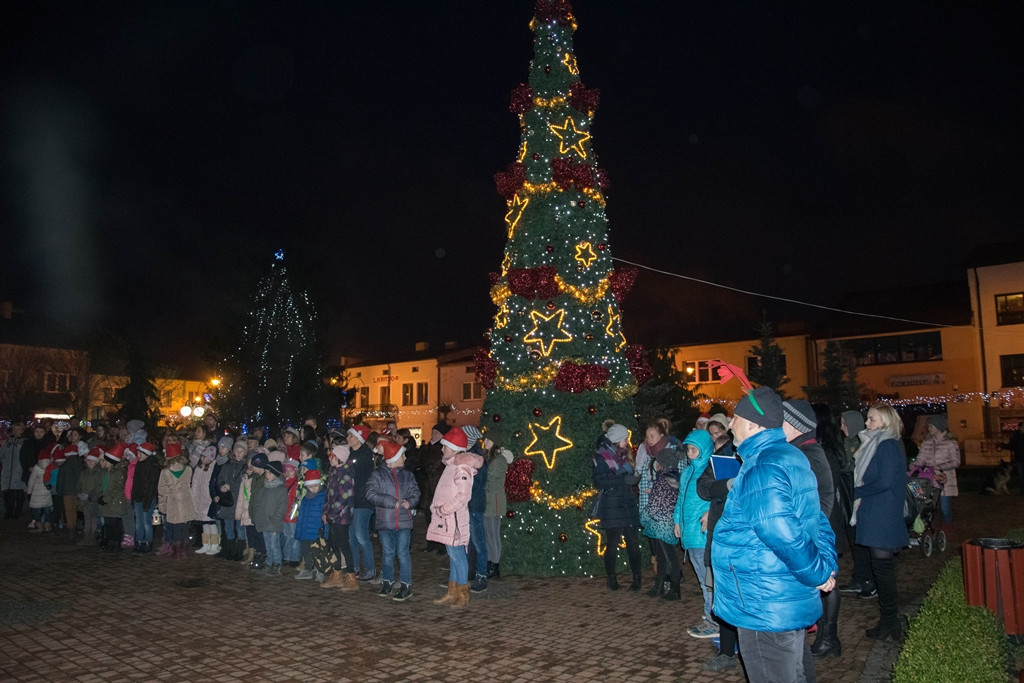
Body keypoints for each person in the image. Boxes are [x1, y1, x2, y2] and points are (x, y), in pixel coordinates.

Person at [712, 387, 838, 683]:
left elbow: (783, 533)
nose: (731, 425)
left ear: (754, 425)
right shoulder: (790, 457)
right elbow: (817, 519)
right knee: (795, 672)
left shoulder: (763, 466)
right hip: (783, 596)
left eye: (736, 418)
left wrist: (819, 573)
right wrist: (825, 566)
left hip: (763, 601)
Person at [782, 400, 841, 659]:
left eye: (783, 421)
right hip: (814, 527)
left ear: (795, 426)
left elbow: (824, 495)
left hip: (816, 529)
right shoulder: (799, 449)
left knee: (827, 583)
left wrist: (813, 533)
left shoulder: (808, 453)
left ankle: (829, 637)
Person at [851, 403, 910, 642]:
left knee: (883, 572)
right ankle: (889, 621)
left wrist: (856, 491)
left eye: (872, 419)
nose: (867, 423)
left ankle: (890, 621)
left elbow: (884, 481)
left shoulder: (886, 445)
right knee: (881, 571)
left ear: (885, 422)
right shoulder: (879, 443)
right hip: (877, 513)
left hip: (882, 515)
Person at [428, 428, 483, 608]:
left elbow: (463, 496)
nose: (442, 449)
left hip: (454, 520)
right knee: (452, 555)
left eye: (444, 446)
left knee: (458, 555)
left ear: (453, 448)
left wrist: (444, 509)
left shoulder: (461, 468)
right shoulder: (450, 466)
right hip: (446, 519)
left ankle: (462, 594)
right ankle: (452, 592)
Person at [366, 439, 420, 602]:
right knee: (388, 553)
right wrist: (392, 502)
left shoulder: (408, 475)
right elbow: (370, 494)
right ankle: (387, 581)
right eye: (402, 455)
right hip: (385, 521)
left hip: (404, 522)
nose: (404, 458)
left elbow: (416, 492)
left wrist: (410, 502)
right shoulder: (377, 475)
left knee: (403, 553)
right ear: (393, 458)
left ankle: (405, 584)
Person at [592, 422, 642, 592]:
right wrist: (622, 479)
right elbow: (599, 481)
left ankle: (637, 578)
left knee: (633, 542)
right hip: (612, 505)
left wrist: (633, 478)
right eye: (625, 439)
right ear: (616, 440)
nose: (627, 442)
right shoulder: (602, 456)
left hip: (627, 502)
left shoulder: (624, 455)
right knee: (612, 543)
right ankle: (611, 578)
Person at [675, 430, 716, 636]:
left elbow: (717, 498)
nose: (690, 454)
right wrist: (677, 521)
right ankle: (711, 616)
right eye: (688, 450)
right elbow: (681, 499)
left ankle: (713, 620)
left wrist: (711, 513)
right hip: (690, 533)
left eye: (694, 450)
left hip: (702, 534)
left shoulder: (709, 472)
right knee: (703, 578)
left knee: (707, 579)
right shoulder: (687, 473)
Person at [637, 417, 676, 584]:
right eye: (647, 436)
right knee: (658, 548)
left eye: (652, 435)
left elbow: (675, 481)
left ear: (661, 435)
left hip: (665, 507)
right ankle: (660, 582)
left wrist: (655, 490)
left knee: (667, 549)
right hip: (651, 505)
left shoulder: (670, 451)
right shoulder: (648, 452)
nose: (649, 439)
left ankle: (673, 583)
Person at [912, 415, 959, 533]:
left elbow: (956, 461)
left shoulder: (951, 443)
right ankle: (927, 528)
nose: (929, 428)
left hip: (944, 480)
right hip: (929, 479)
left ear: (939, 427)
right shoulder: (927, 442)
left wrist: (940, 467)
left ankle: (946, 528)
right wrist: (915, 465)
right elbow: (921, 458)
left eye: (931, 426)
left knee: (944, 508)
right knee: (927, 506)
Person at [319, 442, 356, 591]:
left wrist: (331, 514)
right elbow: (329, 496)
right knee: (333, 544)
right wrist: (325, 512)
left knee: (344, 545)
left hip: (342, 517)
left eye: (332, 456)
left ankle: (351, 575)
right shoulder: (333, 473)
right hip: (332, 516)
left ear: (340, 458)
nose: (330, 458)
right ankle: (337, 573)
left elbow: (343, 498)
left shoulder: (346, 475)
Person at [345, 425, 376, 582]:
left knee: (361, 534)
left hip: (362, 501)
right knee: (351, 536)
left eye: (351, 436)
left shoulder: (364, 455)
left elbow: (358, 477)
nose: (348, 438)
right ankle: (355, 567)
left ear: (359, 438)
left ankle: (370, 568)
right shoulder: (350, 453)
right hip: (351, 500)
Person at [482, 427, 513, 579]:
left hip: (493, 500)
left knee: (493, 534)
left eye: (487, 439)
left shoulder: (499, 460)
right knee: (488, 533)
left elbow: (492, 481)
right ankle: (490, 562)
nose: (484, 441)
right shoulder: (489, 458)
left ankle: (495, 565)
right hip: (488, 500)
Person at [462, 425, 490, 594]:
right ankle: (463, 575)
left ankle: (482, 576)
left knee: (478, 542)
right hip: (468, 505)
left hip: (474, 506)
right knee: (465, 542)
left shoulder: (476, 459)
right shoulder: (466, 456)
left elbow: (475, 485)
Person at [158, 446, 194, 560]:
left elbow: (162, 490)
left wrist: (162, 505)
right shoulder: (188, 469)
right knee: (184, 526)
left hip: (173, 501)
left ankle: (177, 551)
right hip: (186, 500)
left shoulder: (165, 472)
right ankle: (184, 550)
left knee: (175, 527)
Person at [215, 440, 248, 561]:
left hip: (239, 502)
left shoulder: (246, 467)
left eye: (241, 451)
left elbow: (244, 484)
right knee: (228, 527)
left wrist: (231, 486)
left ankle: (239, 552)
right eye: (237, 451)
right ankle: (229, 550)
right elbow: (220, 479)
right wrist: (222, 486)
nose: (238, 453)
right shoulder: (227, 466)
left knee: (240, 528)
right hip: (228, 502)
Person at [253, 460, 288, 575]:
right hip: (264, 522)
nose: (267, 475)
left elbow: (282, 507)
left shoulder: (281, 490)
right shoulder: (263, 489)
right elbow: (257, 504)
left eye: (270, 473)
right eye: (266, 472)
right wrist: (257, 517)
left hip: (273, 523)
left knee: (274, 545)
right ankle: (269, 561)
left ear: (276, 474)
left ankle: (276, 563)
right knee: (267, 544)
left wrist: (275, 520)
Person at [294, 469, 327, 581]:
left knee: (318, 553)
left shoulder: (323, 497)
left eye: (315, 486)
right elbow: (301, 516)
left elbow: (324, 516)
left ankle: (319, 570)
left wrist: (324, 532)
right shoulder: (305, 499)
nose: (313, 488)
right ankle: (308, 569)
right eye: (310, 486)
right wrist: (299, 532)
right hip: (305, 531)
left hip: (316, 531)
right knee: (306, 551)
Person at [190, 444, 222, 555]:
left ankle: (214, 545)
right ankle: (206, 544)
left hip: (208, 499)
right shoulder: (198, 468)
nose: (203, 458)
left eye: (206, 456)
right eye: (202, 456)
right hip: (198, 500)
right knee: (204, 523)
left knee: (211, 523)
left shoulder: (213, 468)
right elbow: (194, 483)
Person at [130, 442, 161, 555]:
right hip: (139, 498)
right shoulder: (140, 464)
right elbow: (136, 484)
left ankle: (147, 542)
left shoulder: (152, 466)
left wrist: (147, 502)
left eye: (140, 453)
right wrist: (134, 498)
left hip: (147, 499)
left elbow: (151, 486)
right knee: (139, 522)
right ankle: (138, 542)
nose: (138, 455)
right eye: (137, 453)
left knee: (146, 522)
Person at [97, 444, 129, 553]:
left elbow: (117, 488)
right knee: (108, 524)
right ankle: (110, 542)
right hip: (107, 502)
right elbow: (103, 486)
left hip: (114, 502)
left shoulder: (119, 472)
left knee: (114, 524)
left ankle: (116, 543)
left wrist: (106, 498)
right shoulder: (106, 472)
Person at [77, 448, 103, 546]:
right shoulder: (84, 473)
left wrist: (91, 496)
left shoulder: (98, 473)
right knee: (87, 518)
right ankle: (86, 537)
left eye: (91, 461)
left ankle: (91, 537)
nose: (89, 462)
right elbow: (79, 484)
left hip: (93, 499)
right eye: (88, 460)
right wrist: (79, 493)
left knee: (93, 518)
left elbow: (98, 487)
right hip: (85, 500)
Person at [26, 449, 55, 532]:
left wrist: (29, 491)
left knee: (37, 511)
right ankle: (47, 526)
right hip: (48, 492)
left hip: (37, 493)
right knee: (47, 510)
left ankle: (39, 526)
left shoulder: (36, 468)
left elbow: (31, 481)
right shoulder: (51, 467)